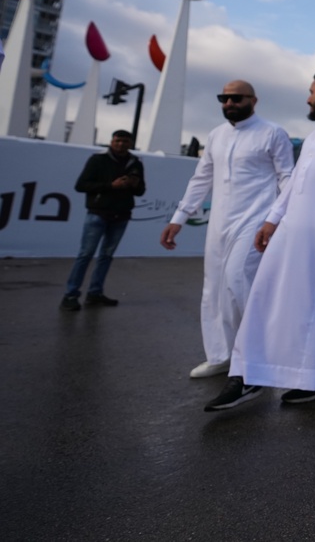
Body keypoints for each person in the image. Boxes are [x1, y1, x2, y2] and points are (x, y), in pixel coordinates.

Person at [204, 68, 315, 411]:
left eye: (311, 90)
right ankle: (248, 375)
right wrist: (272, 221)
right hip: (291, 234)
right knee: (264, 297)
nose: (307, 97)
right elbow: (293, 186)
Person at [159, 80, 294, 379]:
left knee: (238, 283)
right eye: (224, 98)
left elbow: (288, 179)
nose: (229, 103)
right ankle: (221, 356)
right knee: (214, 289)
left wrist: (280, 219)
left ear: (253, 100)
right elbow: (200, 179)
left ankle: (257, 355)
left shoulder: (273, 133)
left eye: (236, 98)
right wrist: (178, 218)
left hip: (255, 222)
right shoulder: (216, 135)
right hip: (219, 224)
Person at [60, 130, 146, 311]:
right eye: (118, 141)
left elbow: (141, 191)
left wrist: (134, 184)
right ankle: (70, 294)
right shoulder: (97, 160)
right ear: (111, 142)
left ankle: (95, 293)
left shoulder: (136, 163)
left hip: (121, 215)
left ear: (131, 143)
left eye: (125, 141)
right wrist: (110, 186)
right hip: (98, 214)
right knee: (86, 254)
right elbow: (81, 185)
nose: (121, 144)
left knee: (106, 256)